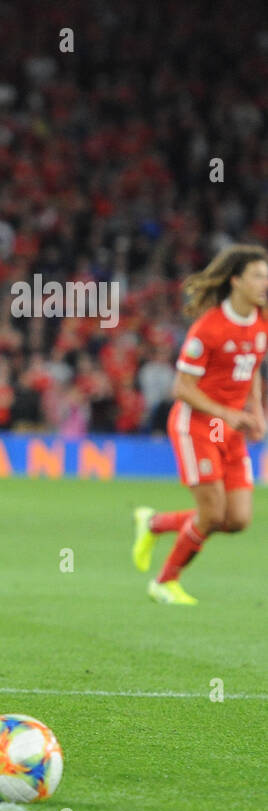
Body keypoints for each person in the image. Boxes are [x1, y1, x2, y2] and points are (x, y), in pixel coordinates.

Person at [132, 245, 268, 605]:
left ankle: (154, 524)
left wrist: (258, 412)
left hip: (231, 429)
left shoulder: (262, 320)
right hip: (197, 427)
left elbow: (251, 367)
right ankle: (164, 582)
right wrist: (225, 413)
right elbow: (181, 388)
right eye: (258, 275)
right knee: (211, 513)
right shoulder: (208, 329)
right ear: (236, 281)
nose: (265, 283)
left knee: (237, 520)